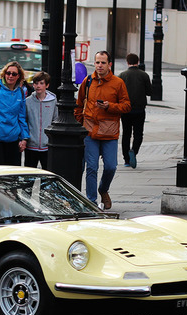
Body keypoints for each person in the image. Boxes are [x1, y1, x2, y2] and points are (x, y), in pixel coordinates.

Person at [74, 50, 131, 209]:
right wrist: (81, 122)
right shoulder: (88, 81)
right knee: (91, 167)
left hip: (109, 132)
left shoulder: (118, 83)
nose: (99, 65)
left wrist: (109, 106)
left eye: (103, 62)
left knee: (111, 166)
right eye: (97, 62)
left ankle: (103, 189)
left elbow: (126, 106)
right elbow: (79, 104)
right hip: (90, 131)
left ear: (109, 64)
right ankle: (91, 202)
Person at [118, 53, 152, 169]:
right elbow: (149, 92)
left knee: (126, 134)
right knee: (138, 134)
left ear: (127, 62)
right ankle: (134, 151)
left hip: (126, 110)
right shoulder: (144, 75)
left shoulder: (122, 75)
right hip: (139, 110)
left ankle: (126, 159)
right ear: (137, 61)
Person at [24, 71, 58, 169]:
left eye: (41, 83)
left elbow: (55, 120)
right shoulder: (28, 101)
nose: (38, 86)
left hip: (47, 145)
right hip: (31, 144)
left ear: (47, 85)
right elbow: (25, 120)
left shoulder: (53, 101)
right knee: (29, 174)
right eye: (36, 83)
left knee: (47, 173)